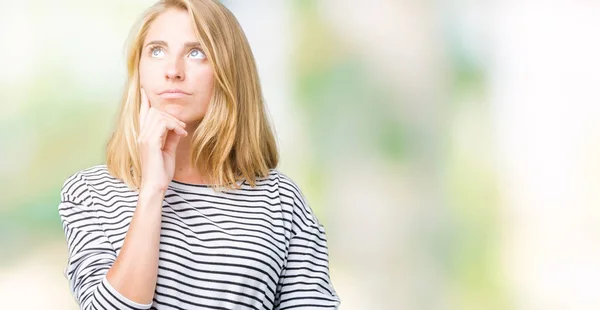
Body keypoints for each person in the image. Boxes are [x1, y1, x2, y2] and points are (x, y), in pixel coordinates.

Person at [57, 0, 341, 309]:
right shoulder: (90, 193)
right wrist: (152, 190)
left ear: (229, 71)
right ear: (138, 69)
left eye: (196, 53)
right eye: (156, 51)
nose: (173, 71)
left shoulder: (282, 201)